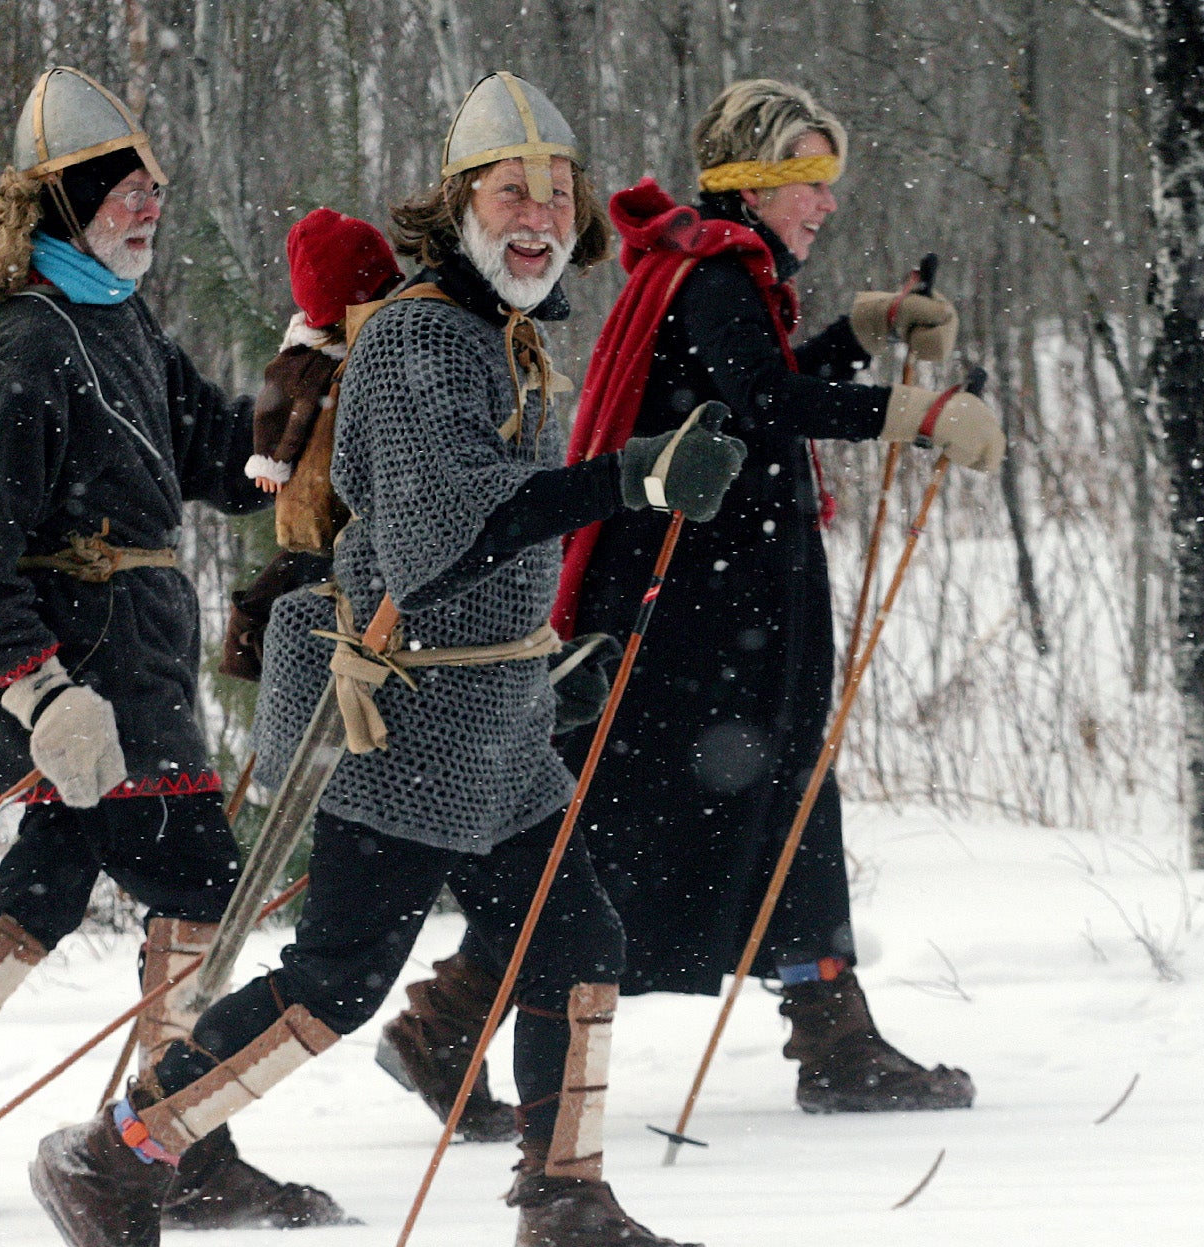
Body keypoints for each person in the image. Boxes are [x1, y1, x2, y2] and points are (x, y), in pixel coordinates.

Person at [27, 72, 751, 1247]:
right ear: (457, 203)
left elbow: (498, 534)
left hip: (496, 715)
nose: (537, 215)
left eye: (556, 193)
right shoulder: (421, 335)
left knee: (577, 940)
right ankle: (118, 1156)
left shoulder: (504, 332)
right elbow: (438, 537)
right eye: (510, 190)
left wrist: (555, 631)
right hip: (406, 715)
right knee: (339, 977)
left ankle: (565, 1214)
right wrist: (624, 480)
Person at [385, 79, 1002, 1124]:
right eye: (806, 180)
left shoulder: (718, 269)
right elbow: (761, 404)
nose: (824, 203)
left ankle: (825, 1025)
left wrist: (858, 329)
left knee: (778, 795)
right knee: (632, 818)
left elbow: (740, 391)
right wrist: (912, 411)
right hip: (691, 610)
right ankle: (452, 1015)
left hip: (724, 596)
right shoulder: (714, 270)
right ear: (755, 183)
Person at [0, 66, 349, 1230]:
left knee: (46, 887)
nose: (148, 202)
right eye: (122, 189)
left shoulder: (115, 315)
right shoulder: (26, 347)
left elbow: (222, 463)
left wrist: (302, 380)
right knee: (200, 880)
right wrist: (40, 692)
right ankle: (173, 1145)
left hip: (134, 663)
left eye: (153, 184)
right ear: (63, 205)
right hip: (81, 678)